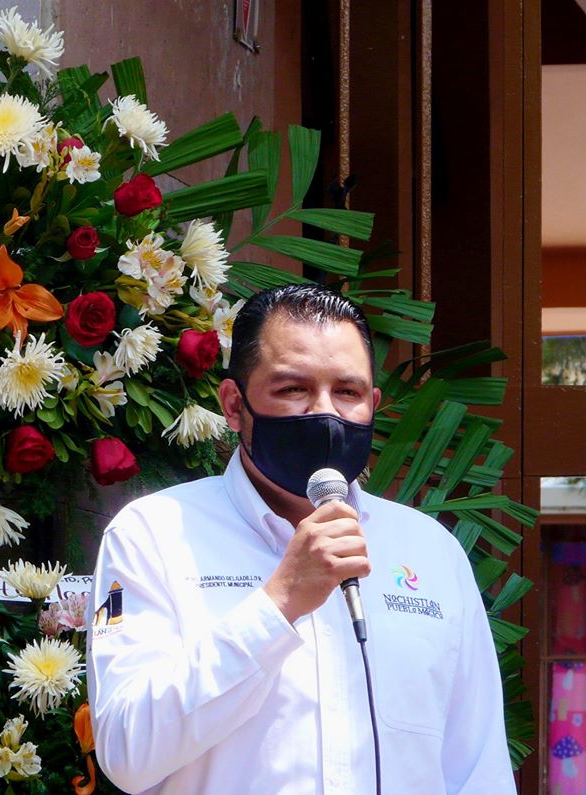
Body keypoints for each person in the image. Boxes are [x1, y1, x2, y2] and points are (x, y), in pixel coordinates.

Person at [86, 284, 515, 794]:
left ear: (373, 404)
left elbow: (477, 767)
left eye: (348, 393)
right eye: (292, 389)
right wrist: (278, 604)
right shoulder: (153, 534)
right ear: (233, 404)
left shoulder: (429, 549)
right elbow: (128, 753)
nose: (325, 413)